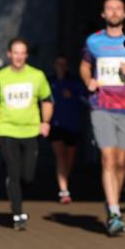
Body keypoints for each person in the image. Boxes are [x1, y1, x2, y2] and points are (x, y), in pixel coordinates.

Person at [81, 0, 125, 235]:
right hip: (101, 106)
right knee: (107, 158)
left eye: (118, 8)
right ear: (103, 14)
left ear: (124, 14)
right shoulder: (94, 41)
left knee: (121, 161)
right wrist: (89, 81)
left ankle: (112, 198)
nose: (114, 12)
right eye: (109, 9)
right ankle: (115, 212)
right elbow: (85, 65)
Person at [0, 37, 53, 230]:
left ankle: (14, 185)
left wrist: (45, 122)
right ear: (9, 54)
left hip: (30, 130)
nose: (18, 56)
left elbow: (47, 99)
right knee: (14, 171)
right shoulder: (0, 76)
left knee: (28, 175)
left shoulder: (37, 75)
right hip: (7, 130)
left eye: (22, 53)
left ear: (26, 55)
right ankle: (18, 214)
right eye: (15, 52)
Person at [48, 53, 88, 204]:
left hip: (73, 125)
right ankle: (64, 190)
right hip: (55, 125)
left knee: (69, 158)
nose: (61, 67)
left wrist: (73, 96)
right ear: (54, 65)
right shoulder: (49, 81)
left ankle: (65, 181)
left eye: (63, 64)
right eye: (58, 63)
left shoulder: (74, 82)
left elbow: (86, 99)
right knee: (60, 156)